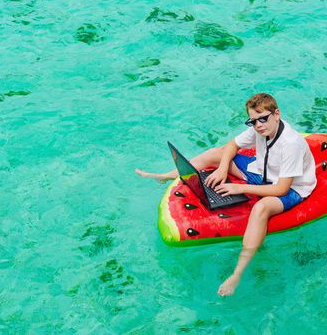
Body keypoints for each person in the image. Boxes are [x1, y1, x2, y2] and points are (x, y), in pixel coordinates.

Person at [136, 93, 317, 296]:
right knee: (215, 153)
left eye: (263, 118)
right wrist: (223, 169)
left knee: (261, 207)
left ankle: (237, 274)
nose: (258, 125)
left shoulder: (290, 144)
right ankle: (164, 176)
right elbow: (232, 146)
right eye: (253, 121)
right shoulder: (260, 128)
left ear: (276, 114)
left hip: (291, 189)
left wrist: (240, 188)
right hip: (261, 173)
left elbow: (281, 189)